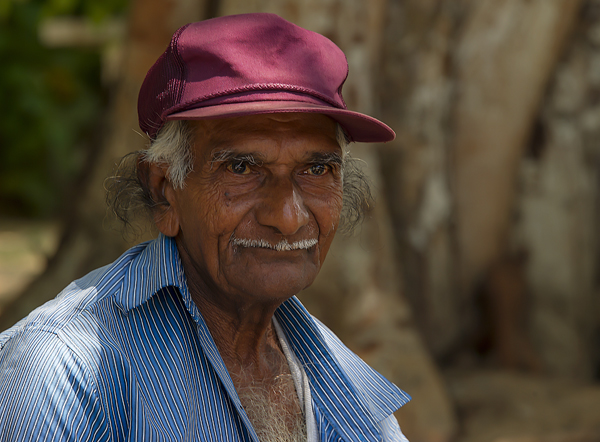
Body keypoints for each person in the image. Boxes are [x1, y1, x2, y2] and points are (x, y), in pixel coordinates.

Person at [0, 13, 410, 442]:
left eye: (317, 168)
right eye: (241, 167)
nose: (288, 217)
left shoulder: (335, 374)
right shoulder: (66, 370)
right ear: (164, 191)